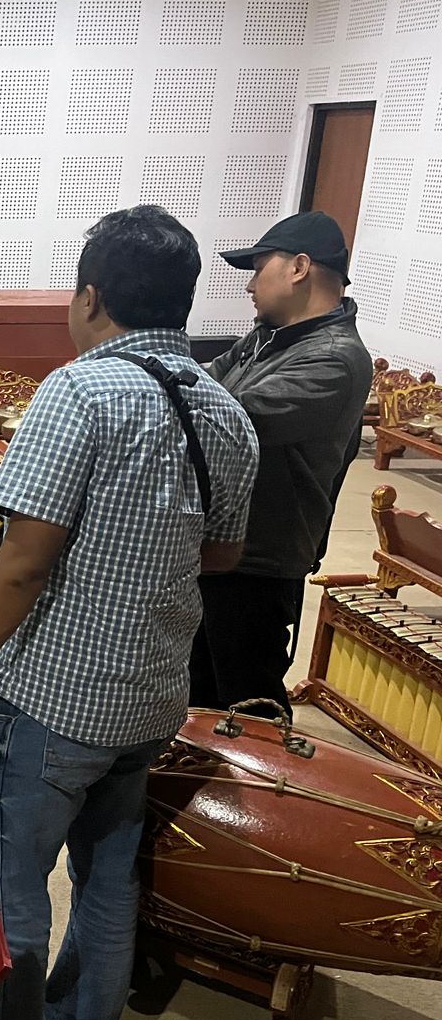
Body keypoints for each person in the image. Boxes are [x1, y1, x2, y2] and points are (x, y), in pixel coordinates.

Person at [0, 206, 259, 1020]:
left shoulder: (77, 394)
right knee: (109, 874)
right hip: (153, 694)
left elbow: (23, 559)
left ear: (91, 296)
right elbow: (223, 557)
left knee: (8, 891)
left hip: (55, 699)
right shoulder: (226, 408)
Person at [190, 210, 373, 714]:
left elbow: (233, 420)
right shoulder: (269, 337)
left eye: (257, 268)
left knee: (247, 709)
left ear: (298, 268)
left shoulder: (334, 358)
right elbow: (205, 376)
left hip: (260, 561)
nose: (250, 285)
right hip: (223, 544)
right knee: (197, 695)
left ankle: (258, 793)